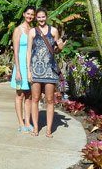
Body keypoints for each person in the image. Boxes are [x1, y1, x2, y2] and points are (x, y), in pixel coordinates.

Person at [26, 7, 66, 137]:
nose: (41, 19)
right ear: (36, 18)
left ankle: (49, 129)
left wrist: (60, 48)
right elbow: (28, 52)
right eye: (39, 17)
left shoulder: (54, 31)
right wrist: (28, 71)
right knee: (35, 99)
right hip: (36, 69)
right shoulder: (32, 32)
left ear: (46, 17)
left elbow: (56, 51)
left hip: (50, 69)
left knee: (50, 99)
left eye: (43, 17)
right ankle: (36, 127)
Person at [10, 5, 36, 133]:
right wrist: (18, 71)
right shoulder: (18, 30)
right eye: (28, 14)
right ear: (24, 14)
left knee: (29, 95)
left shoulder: (33, 30)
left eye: (32, 14)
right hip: (20, 66)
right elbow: (16, 52)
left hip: (30, 67)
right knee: (20, 95)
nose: (30, 16)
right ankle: (20, 123)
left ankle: (28, 122)